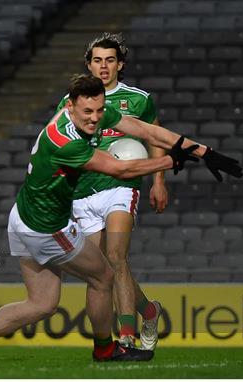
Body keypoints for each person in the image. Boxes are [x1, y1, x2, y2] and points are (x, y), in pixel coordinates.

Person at [0, 74, 243, 362]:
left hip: (22, 218)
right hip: (46, 228)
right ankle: (105, 350)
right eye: (87, 111)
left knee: (41, 304)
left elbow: (147, 131)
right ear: (69, 106)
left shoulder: (92, 114)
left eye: (99, 110)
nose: (95, 118)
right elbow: (119, 170)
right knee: (104, 277)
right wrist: (167, 161)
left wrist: (205, 152)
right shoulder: (65, 140)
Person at [56, 32, 166, 349]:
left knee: (117, 257)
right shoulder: (71, 102)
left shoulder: (138, 99)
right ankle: (148, 311)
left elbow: (155, 137)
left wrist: (159, 180)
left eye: (110, 60)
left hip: (122, 185)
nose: (103, 67)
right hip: (84, 190)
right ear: (89, 65)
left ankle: (127, 338)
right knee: (103, 267)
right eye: (97, 61)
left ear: (120, 64)